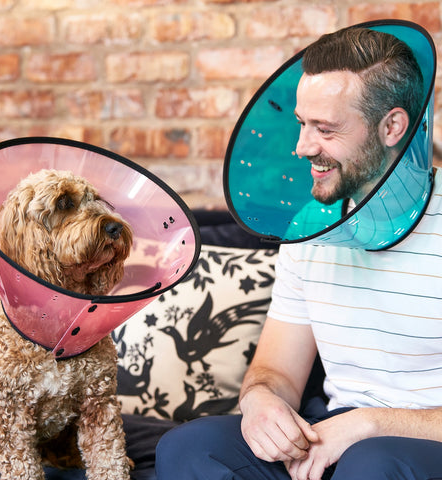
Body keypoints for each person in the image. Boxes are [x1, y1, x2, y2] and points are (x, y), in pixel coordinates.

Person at [155, 25, 442, 480]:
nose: (303, 147)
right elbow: (277, 370)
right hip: (333, 434)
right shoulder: (309, 226)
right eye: (302, 124)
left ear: (392, 126)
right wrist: (261, 401)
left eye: (325, 129)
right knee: (190, 449)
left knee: (373, 464)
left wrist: (368, 425)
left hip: (416, 443)